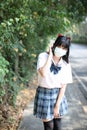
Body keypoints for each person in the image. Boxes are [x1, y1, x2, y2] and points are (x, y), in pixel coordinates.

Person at [33, 34, 73, 130]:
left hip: (58, 95)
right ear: (54, 45)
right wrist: (50, 56)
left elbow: (63, 86)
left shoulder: (65, 64)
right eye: (59, 46)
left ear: (66, 51)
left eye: (64, 48)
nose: (61, 49)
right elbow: (42, 73)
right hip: (44, 94)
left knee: (58, 126)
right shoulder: (43, 56)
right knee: (49, 127)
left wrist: (57, 105)